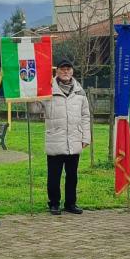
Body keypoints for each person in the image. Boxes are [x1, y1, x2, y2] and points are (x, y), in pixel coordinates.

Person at [41, 59, 91, 215]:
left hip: (74, 139)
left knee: (72, 176)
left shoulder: (80, 92)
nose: (65, 72)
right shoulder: (48, 89)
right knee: (54, 176)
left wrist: (86, 137)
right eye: (62, 69)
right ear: (57, 71)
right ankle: (54, 203)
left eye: (68, 69)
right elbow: (34, 108)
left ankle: (71, 203)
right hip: (55, 139)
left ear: (72, 72)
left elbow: (85, 116)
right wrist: (31, 94)